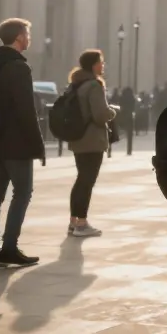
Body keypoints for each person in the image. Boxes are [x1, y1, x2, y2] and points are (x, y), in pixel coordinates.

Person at [0, 18, 47, 268]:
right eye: (27, 34)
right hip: (16, 142)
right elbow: (26, 109)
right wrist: (38, 145)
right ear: (19, 37)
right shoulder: (19, 67)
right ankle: (9, 247)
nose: (29, 38)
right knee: (22, 192)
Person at [65, 50, 117, 238]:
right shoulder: (94, 85)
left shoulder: (76, 84)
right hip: (92, 140)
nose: (103, 65)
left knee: (81, 180)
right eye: (101, 62)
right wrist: (112, 112)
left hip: (78, 138)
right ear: (94, 65)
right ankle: (81, 223)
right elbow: (100, 115)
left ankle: (73, 221)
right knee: (87, 182)